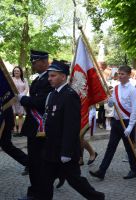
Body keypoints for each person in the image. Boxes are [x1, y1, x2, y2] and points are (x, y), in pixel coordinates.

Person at [38, 60, 105, 200]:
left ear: (63, 77)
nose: (49, 78)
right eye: (49, 76)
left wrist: (66, 152)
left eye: (53, 75)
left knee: (75, 180)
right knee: (44, 179)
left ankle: (97, 197)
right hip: (51, 148)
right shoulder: (53, 94)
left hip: (64, 150)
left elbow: (71, 126)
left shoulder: (70, 95)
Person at [89, 65, 136, 181]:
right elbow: (113, 105)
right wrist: (110, 102)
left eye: (123, 74)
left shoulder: (133, 90)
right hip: (116, 122)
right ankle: (102, 171)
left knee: (129, 148)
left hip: (126, 122)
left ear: (128, 75)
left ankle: (134, 170)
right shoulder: (116, 88)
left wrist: (130, 127)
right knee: (110, 147)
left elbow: (135, 110)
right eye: (119, 74)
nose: (120, 76)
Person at [18, 50, 54, 200]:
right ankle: (34, 192)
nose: (33, 64)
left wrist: (23, 99)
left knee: (41, 164)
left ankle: (41, 194)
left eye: (35, 62)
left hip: (43, 128)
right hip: (33, 128)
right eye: (32, 62)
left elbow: (41, 102)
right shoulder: (38, 79)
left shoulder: (50, 79)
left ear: (45, 62)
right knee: (33, 163)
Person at [0, 103, 28, 174]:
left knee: (6, 145)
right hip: (5, 117)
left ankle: (29, 163)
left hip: (4, 119)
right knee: (6, 146)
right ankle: (29, 162)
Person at [12, 66, 29, 135]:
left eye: (18, 71)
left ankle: (20, 130)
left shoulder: (24, 79)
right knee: (13, 114)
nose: (16, 72)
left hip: (21, 99)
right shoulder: (11, 79)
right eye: (15, 71)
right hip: (13, 99)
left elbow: (27, 88)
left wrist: (22, 95)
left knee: (20, 114)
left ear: (20, 72)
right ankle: (14, 129)